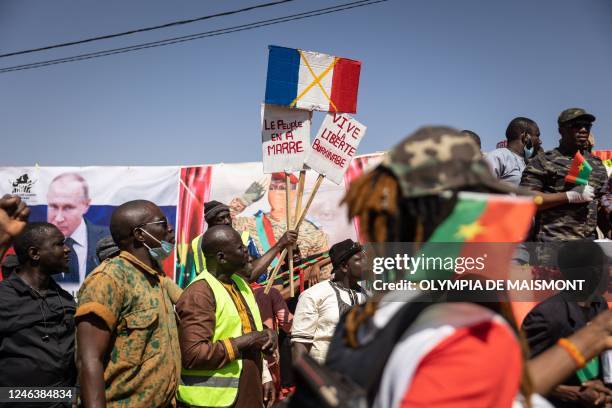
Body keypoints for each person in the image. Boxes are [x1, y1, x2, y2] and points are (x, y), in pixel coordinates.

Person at [317, 126, 612, 407]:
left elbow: (500, 388)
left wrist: (591, 340)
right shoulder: (462, 330)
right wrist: (590, 339)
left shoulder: (375, 314)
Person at [75, 200, 181, 407]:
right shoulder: (109, 279)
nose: (169, 228)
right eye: (161, 222)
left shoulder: (155, 278)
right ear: (140, 235)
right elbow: (88, 360)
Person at [176, 225, 277, 408]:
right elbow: (193, 354)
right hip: (212, 402)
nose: (246, 250)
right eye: (240, 247)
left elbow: (247, 329)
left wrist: (269, 336)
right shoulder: (200, 293)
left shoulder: (239, 283)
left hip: (247, 390)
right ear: (221, 258)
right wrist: (250, 339)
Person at [522, 241, 611, 407]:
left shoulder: (600, 306)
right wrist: (572, 393)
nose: (610, 273)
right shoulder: (546, 316)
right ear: (596, 272)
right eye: (607, 267)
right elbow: (522, 378)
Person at [0, 222, 76, 407]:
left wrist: (73, 396)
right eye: (59, 244)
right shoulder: (4, 297)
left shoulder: (64, 299)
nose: (67, 249)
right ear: (35, 253)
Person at [521, 108, 608, 242]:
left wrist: (608, 230)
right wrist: (568, 196)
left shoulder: (596, 164)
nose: (584, 130)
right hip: (552, 248)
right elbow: (526, 201)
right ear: (561, 130)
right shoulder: (543, 161)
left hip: (588, 248)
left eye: (587, 126)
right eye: (577, 125)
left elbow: (600, 207)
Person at [291, 239, 367, 365]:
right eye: (360, 260)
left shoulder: (367, 297)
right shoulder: (313, 295)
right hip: (326, 374)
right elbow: (300, 346)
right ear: (344, 266)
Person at [190, 200, 298, 283]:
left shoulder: (244, 237)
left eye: (228, 216)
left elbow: (260, 273)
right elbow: (249, 275)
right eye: (221, 219)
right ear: (210, 222)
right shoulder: (240, 238)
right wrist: (280, 244)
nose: (227, 221)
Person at [231, 173, 329, 262]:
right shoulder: (247, 223)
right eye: (272, 187)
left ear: (294, 192)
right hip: (258, 280)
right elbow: (219, 225)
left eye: (282, 188)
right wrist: (241, 202)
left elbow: (322, 267)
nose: (276, 192)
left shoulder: (311, 231)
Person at [47, 172, 108, 284]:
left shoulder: (108, 238)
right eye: (54, 206)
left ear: (86, 205)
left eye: (68, 207)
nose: (59, 218)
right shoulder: (36, 243)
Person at [485, 117, 541, 186]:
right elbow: (482, 188)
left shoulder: (526, 162)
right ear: (525, 136)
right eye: (537, 135)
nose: (540, 141)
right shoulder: (498, 156)